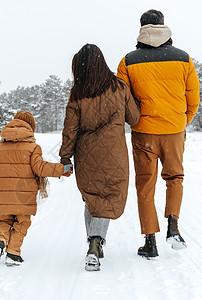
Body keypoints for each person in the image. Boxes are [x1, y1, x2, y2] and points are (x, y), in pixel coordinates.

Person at [117, 9, 200, 259]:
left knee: (145, 185)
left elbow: (123, 100)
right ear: (163, 27)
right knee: (174, 177)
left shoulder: (128, 61)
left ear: (141, 28)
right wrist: (180, 122)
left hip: (144, 133)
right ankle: (173, 226)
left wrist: (137, 121)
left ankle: (150, 241)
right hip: (174, 130)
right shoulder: (183, 58)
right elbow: (193, 99)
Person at [59, 44, 140, 271]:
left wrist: (65, 157)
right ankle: (95, 243)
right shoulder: (119, 87)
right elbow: (134, 118)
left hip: (86, 156)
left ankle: (94, 243)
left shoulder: (77, 94)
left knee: (92, 198)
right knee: (106, 198)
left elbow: (70, 130)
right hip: (114, 155)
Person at [0, 111, 72, 266]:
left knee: (3, 221)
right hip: (23, 196)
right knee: (21, 223)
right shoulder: (32, 148)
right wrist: (61, 169)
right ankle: (13, 253)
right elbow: (40, 168)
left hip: (3, 196)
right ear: (31, 127)